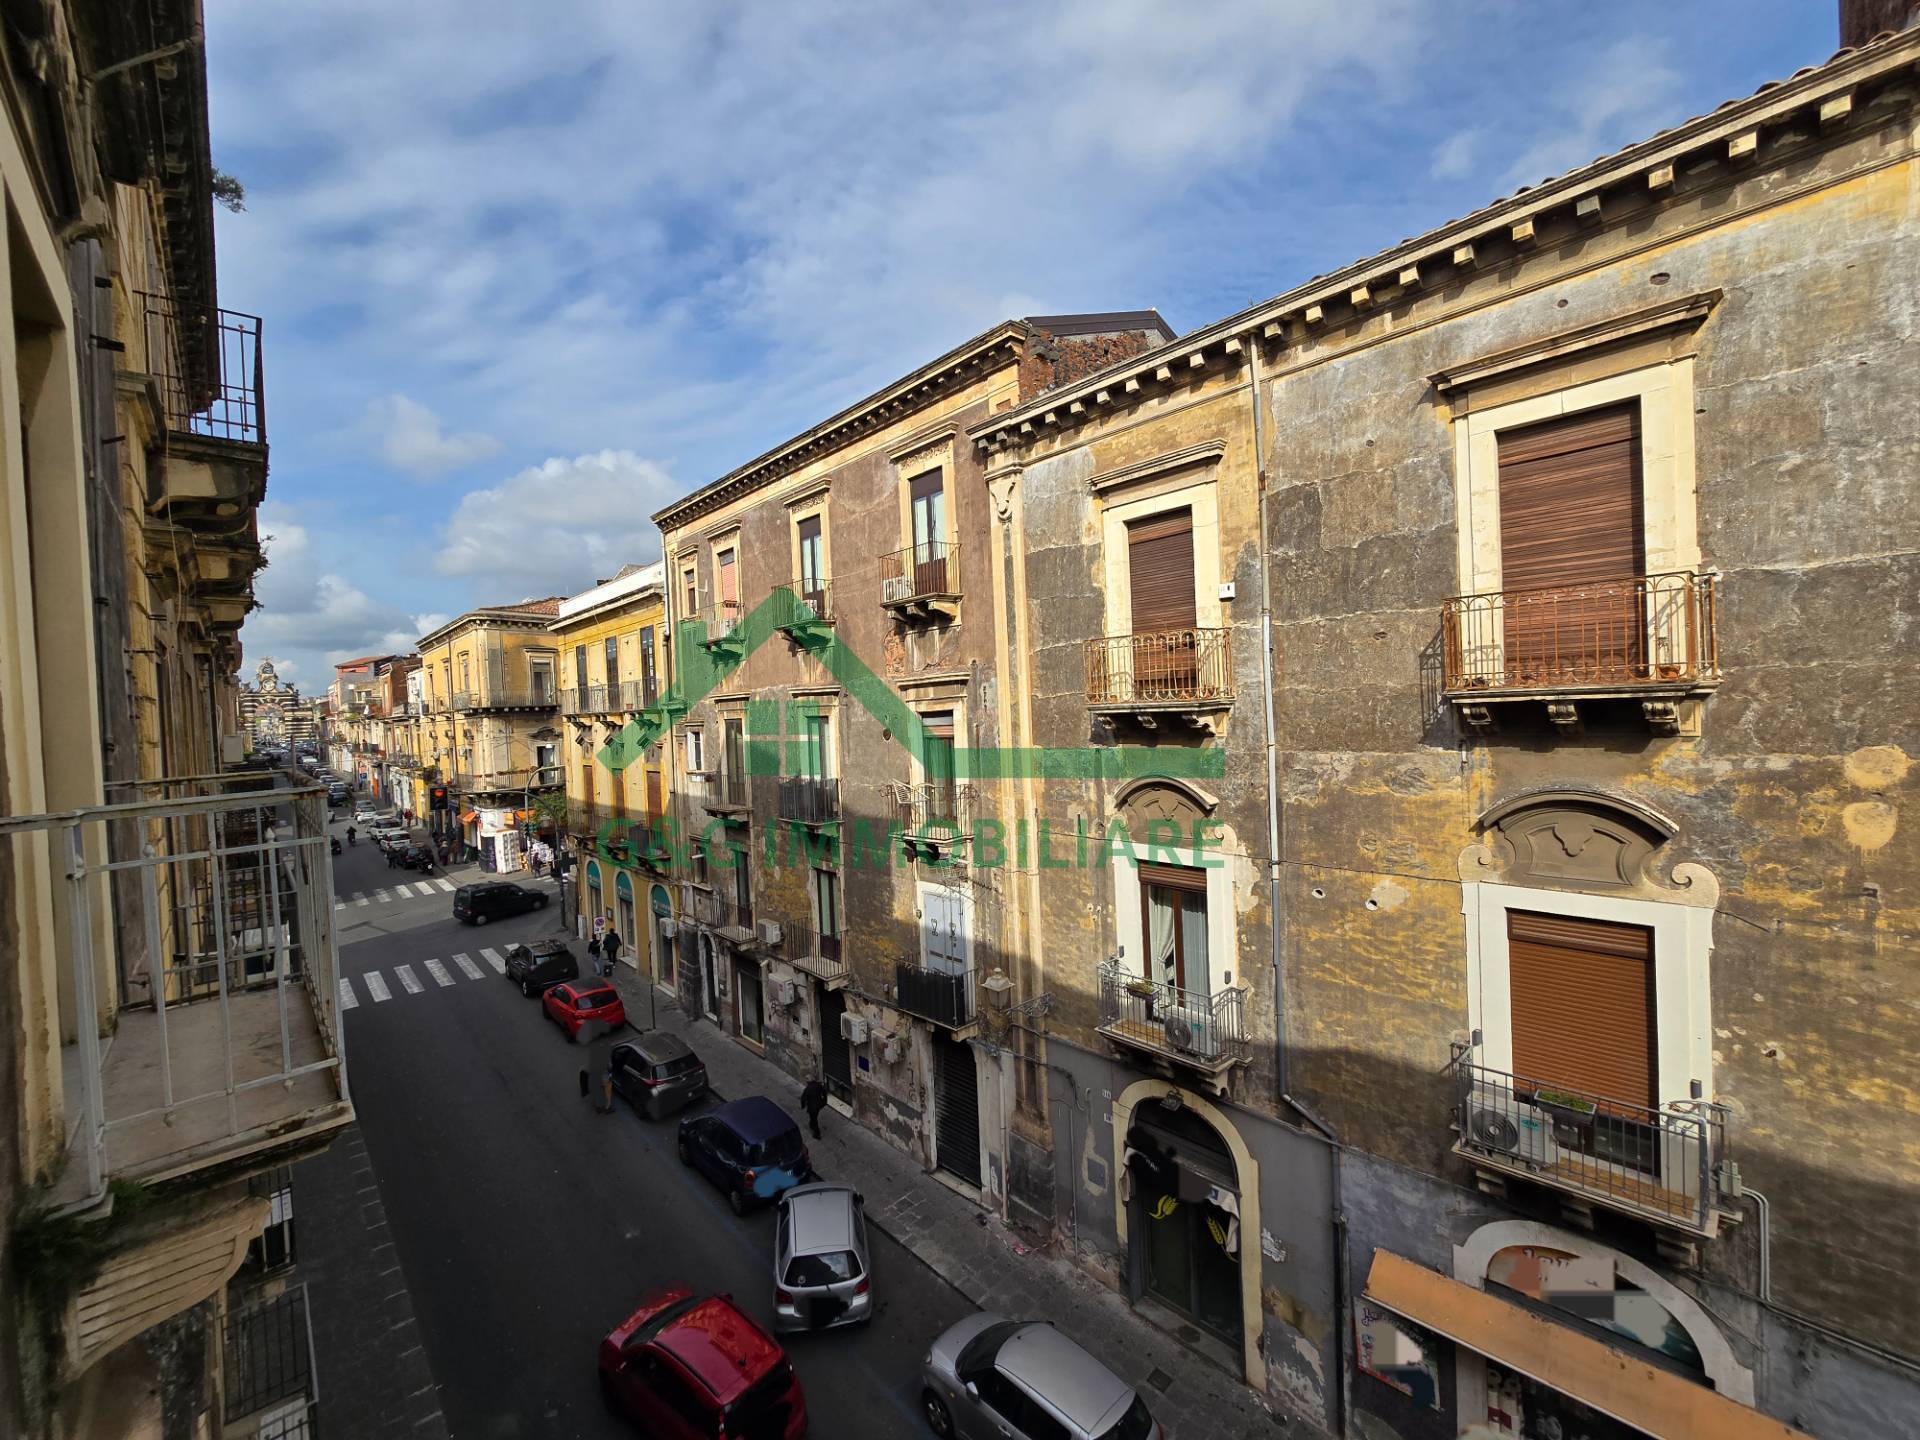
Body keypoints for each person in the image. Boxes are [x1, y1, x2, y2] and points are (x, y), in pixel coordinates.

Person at [800, 1076, 828, 1140]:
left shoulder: (807, 1089)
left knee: (814, 1119)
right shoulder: (818, 1085)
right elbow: (824, 1092)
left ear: (808, 1081)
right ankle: (812, 1124)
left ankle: (817, 1134)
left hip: (812, 1108)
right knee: (814, 1117)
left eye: (806, 1081)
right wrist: (824, 1101)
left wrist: (803, 1106)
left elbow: (803, 1098)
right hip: (819, 1105)